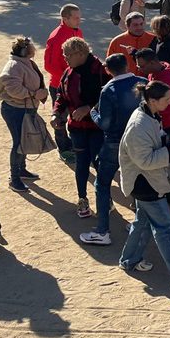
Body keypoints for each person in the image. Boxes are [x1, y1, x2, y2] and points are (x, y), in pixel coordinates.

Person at [118, 81, 170, 288]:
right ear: (153, 101)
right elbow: (145, 161)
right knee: (166, 228)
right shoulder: (139, 126)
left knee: (142, 223)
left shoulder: (150, 115)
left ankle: (129, 260)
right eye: (167, 99)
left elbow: (154, 144)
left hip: (146, 181)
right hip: (145, 184)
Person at [81, 53, 145, 246]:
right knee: (140, 181)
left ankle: (102, 230)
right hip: (140, 140)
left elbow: (105, 123)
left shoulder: (109, 90)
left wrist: (93, 113)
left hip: (115, 143)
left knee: (102, 184)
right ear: (127, 65)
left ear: (108, 70)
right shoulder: (142, 82)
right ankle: (139, 222)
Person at [53, 37, 111, 219]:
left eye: (67, 54)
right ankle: (82, 199)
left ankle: (105, 197)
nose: (65, 58)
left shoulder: (100, 70)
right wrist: (56, 113)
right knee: (81, 164)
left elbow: (108, 98)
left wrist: (88, 108)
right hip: (77, 128)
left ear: (80, 53)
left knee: (99, 163)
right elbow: (60, 96)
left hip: (96, 127)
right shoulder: (68, 72)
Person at [0, 36, 48, 193]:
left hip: (26, 108)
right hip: (15, 110)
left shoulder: (26, 63)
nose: (34, 49)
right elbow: (13, 89)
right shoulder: (14, 66)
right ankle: (14, 178)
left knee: (24, 140)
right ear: (25, 51)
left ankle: (22, 170)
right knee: (19, 142)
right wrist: (34, 94)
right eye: (31, 47)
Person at [44, 3, 82, 162]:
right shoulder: (56, 36)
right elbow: (49, 65)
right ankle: (63, 148)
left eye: (79, 17)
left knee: (76, 116)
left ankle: (74, 144)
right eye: (76, 18)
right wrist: (68, 77)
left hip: (77, 83)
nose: (79, 20)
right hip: (60, 85)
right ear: (65, 18)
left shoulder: (77, 31)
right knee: (60, 119)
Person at [134, 49, 170, 140]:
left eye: (141, 66)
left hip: (168, 125)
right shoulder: (154, 72)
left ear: (152, 63)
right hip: (159, 123)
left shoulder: (168, 80)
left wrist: (152, 113)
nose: (139, 69)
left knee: (168, 152)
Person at [107, 12, 156, 76]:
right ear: (127, 26)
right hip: (124, 80)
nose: (139, 27)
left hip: (148, 81)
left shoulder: (153, 39)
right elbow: (109, 65)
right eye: (135, 25)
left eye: (141, 24)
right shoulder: (117, 41)